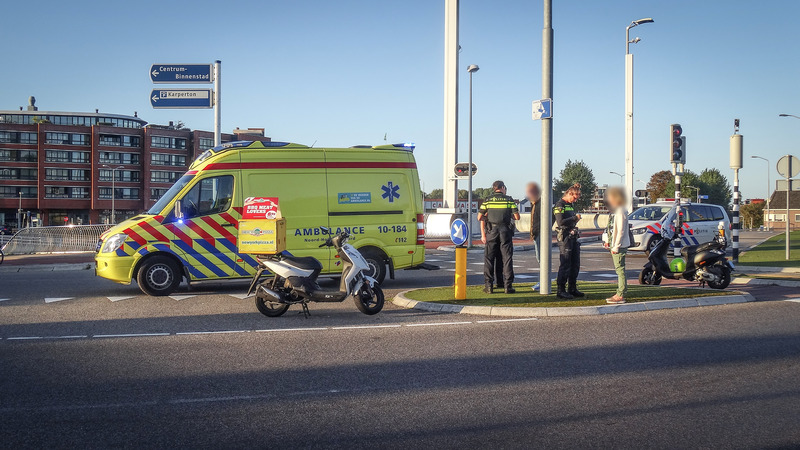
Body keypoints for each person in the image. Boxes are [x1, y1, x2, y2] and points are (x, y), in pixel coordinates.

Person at [479, 180, 520, 294]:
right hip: (505, 231)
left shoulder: (487, 200)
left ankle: (488, 286)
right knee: (507, 258)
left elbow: (479, 217)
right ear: (502, 188)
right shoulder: (509, 199)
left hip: (491, 231)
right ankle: (508, 286)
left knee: (489, 259)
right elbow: (517, 217)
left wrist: (489, 218)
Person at [553, 183, 583, 299]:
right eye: (574, 197)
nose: (575, 200)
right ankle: (561, 289)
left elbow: (570, 220)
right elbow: (560, 222)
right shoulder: (560, 205)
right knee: (565, 264)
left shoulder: (570, 205)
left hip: (572, 236)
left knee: (575, 264)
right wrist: (575, 218)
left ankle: (572, 287)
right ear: (569, 194)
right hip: (565, 236)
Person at [604, 186, 631, 304]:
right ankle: (621, 291)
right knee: (620, 269)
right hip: (616, 244)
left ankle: (620, 294)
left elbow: (620, 231)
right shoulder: (619, 211)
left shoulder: (620, 212)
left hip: (619, 246)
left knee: (619, 269)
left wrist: (616, 246)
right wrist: (609, 242)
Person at [526, 182, 543, 291]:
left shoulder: (540, 204)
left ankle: (543, 281)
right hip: (536, 233)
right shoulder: (534, 204)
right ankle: (542, 281)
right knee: (539, 258)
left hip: (540, 233)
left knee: (541, 258)